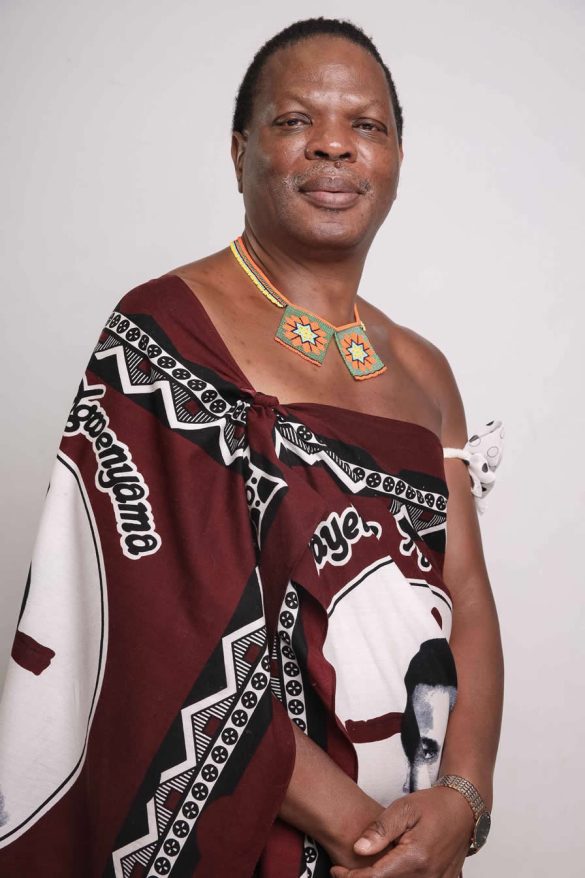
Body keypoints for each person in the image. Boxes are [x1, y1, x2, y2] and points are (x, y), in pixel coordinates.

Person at [0, 16, 505, 878]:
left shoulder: (426, 371)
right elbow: (161, 636)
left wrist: (462, 799)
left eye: (366, 125)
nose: (334, 146)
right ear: (240, 153)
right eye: (295, 120)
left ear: (395, 159)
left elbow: (466, 599)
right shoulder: (166, 331)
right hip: (259, 843)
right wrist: (373, 840)